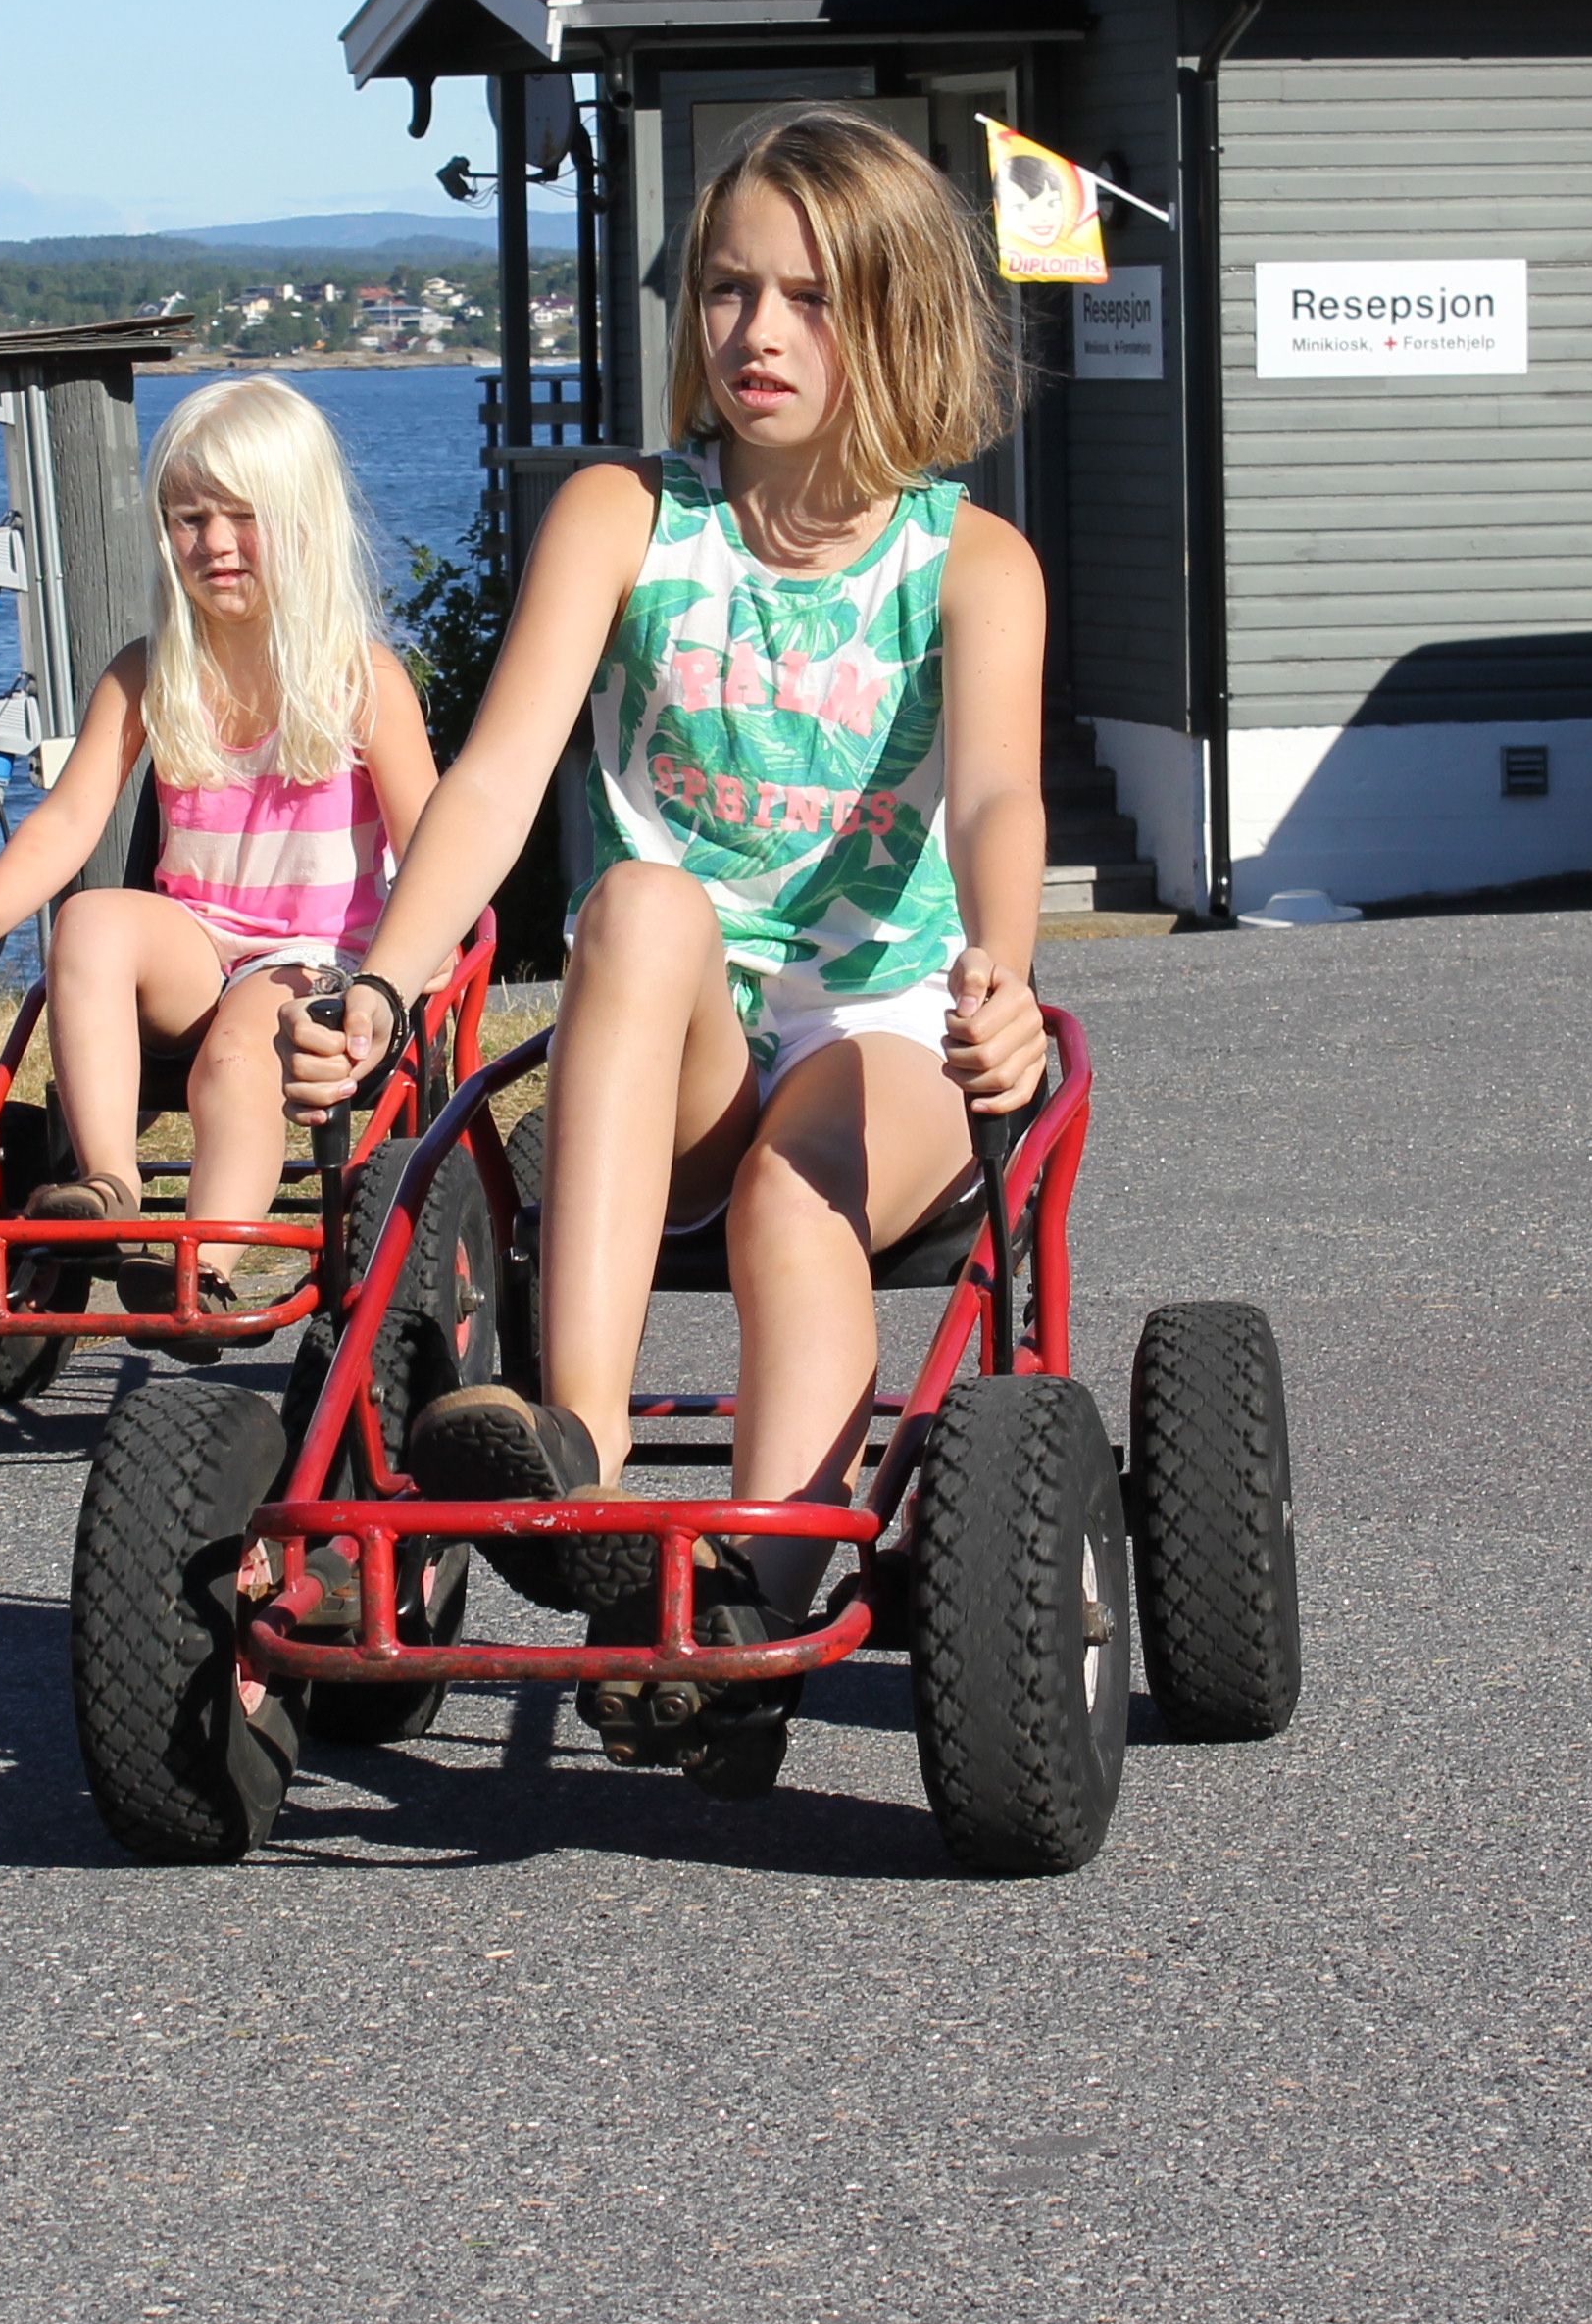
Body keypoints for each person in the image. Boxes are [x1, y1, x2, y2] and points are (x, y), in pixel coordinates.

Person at [285, 110, 1048, 1706]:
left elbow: (988, 792)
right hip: (682, 1042)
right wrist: (378, 983)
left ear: (896, 317)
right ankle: (577, 1446)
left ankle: (738, 1627)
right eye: (724, 289)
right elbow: (493, 780)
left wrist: (1000, 968)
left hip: (882, 1029)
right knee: (634, 900)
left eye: (809, 297)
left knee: (798, 1188)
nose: (754, 333)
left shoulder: (966, 563)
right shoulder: (626, 518)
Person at [0, 375, 436, 1343]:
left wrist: (429, 954)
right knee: (92, 917)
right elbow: (72, 822)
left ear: (305, 525)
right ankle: (106, 1185)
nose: (215, 544)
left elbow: (436, 844)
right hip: (193, 944)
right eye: (190, 519)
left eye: (245, 517)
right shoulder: (152, 670)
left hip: (315, 958)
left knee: (244, 1043)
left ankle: (208, 1261)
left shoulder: (360, 679)